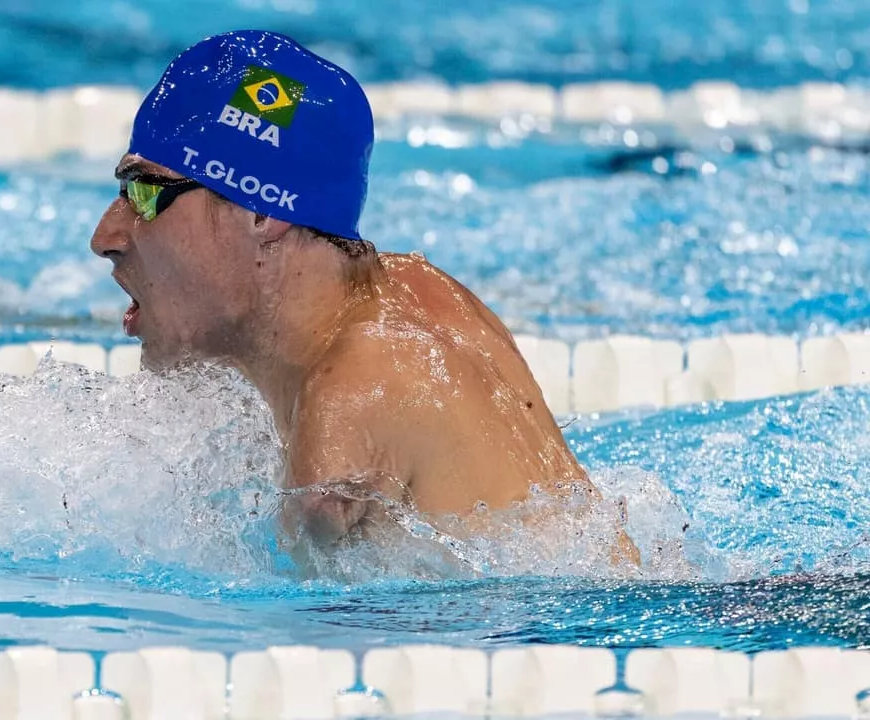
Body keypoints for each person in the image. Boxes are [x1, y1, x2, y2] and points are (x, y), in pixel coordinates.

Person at [90, 30, 637, 562]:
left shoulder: (338, 430)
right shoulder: (423, 290)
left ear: (262, 213)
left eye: (143, 193)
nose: (106, 238)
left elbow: (324, 645)